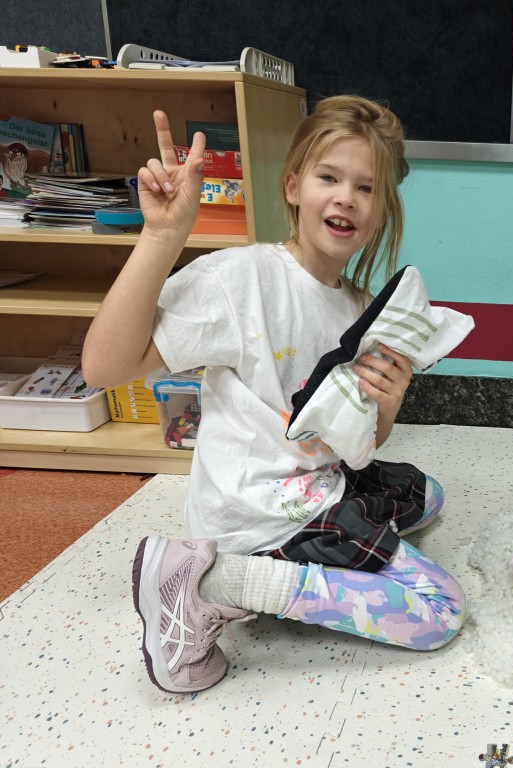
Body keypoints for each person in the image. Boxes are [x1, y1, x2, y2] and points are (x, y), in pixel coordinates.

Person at [82, 96, 465, 695]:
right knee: (440, 610)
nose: (346, 197)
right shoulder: (241, 279)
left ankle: (288, 562)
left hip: (316, 478)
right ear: (292, 186)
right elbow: (104, 366)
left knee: (427, 496)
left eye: (366, 188)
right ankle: (215, 585)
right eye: (328, 178)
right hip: (259, 514)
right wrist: (162, 235)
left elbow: (359, 445)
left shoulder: (362, 308)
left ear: (382, 210)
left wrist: (387, 404)